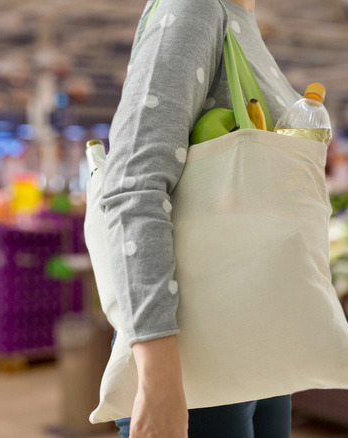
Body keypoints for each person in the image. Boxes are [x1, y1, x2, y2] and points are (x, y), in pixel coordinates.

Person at [100, 0, 301, 437]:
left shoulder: (238, 19)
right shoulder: (195, 8)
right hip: (196, 353)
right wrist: (159, 381)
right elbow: (134, 185)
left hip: (254, 334)